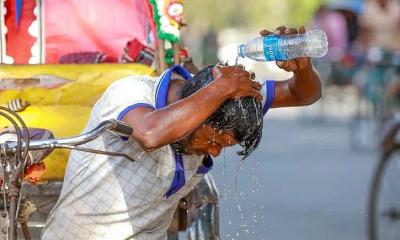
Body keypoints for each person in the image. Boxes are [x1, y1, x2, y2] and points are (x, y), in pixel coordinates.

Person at [41, 26, 321, 240]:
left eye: (223, 146)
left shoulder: (228, 104)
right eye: (213, 140)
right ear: (201, 110)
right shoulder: (129, 93)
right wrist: (221, 87)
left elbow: (302, 93)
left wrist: (304, 69)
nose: (213, 152)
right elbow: (151, 134)